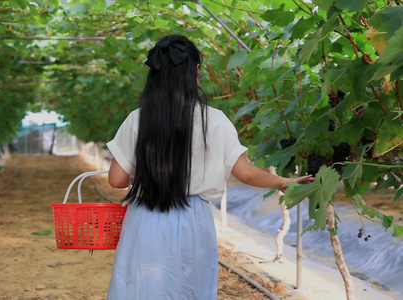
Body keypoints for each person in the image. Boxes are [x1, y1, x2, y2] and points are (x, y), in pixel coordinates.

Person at [105, 35, 313, 300]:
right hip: (193, 219)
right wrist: (282, 181)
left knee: (141, 288)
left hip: (146, 217)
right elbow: (246, 172)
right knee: (189, 289)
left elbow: (116, 179)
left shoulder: (138, 119)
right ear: (192, 75)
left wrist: (145, 175)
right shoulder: (214, 120)